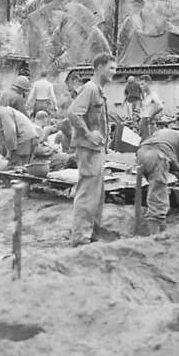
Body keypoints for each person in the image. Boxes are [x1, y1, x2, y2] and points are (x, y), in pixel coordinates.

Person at [67, 52, 115, 246]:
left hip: (96, 150)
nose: (115, 71)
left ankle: (91, 232)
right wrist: (87, 133)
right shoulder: (90, 88)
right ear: (99, 67)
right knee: (87, 192)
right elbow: (73, 113)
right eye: (111, 68)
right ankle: (80, 236)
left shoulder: (98, 91)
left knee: (96, 192)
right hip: (88, 149)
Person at [135, 128, 179, 235]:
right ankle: (154, 236)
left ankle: (159, 227)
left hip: (141, 154)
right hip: (157, 157)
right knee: (158, 199)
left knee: (155, 191)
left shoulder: (166, 133)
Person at [0, 98, 38, 166]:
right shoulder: (6, 111)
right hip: (28, 136)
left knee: (17, 165)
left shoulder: (4, 114)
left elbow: (10, 133)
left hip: (24, 138)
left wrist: (11, 151)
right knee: (23, 164)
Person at [137, 75, 163, 140]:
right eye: (140, 84)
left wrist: (151, 115)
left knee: (148, 140)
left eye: (142, 84)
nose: (141, 86)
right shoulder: (145, 95)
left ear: (148, 83)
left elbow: (160, 107)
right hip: (143, 120)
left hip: (148, 121)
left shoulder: (153, 94)